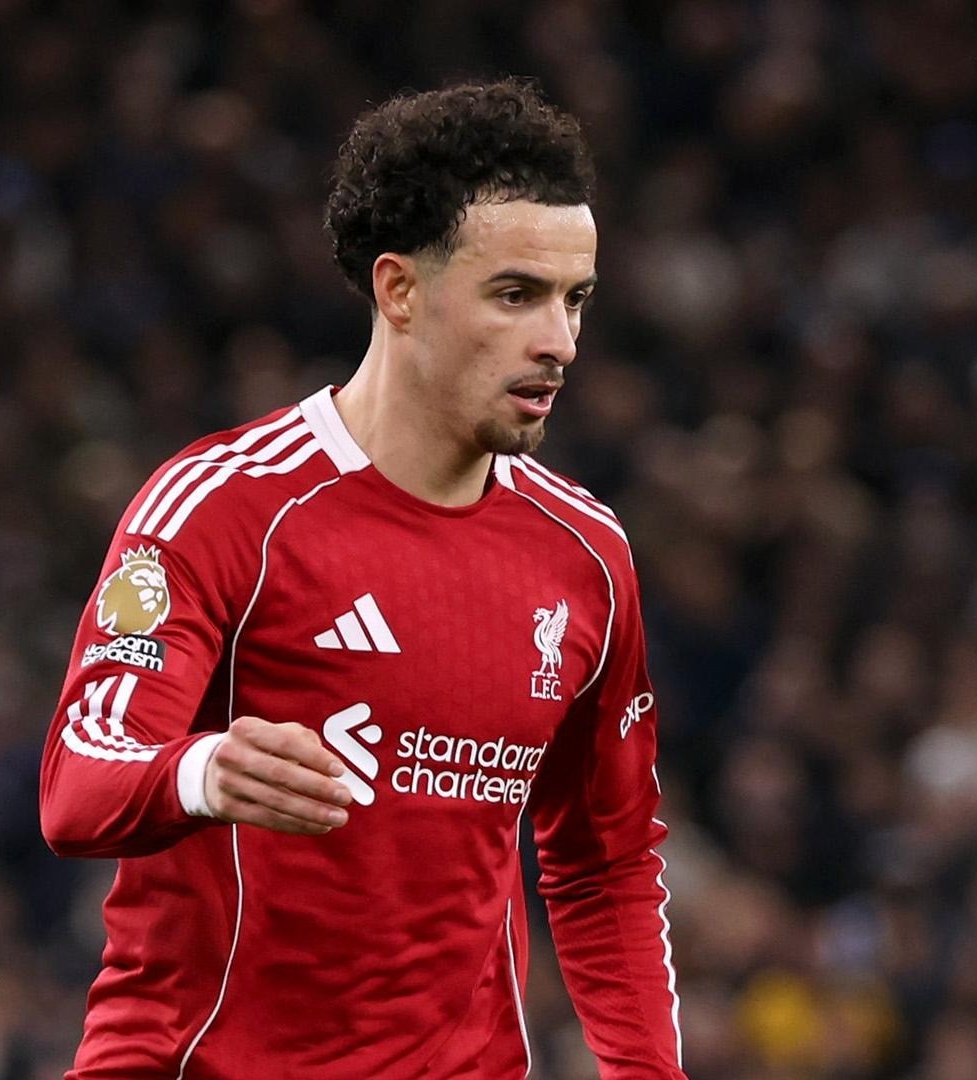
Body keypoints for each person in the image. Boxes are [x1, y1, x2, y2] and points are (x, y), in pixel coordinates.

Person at [38, 79, 683, 1078]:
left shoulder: (586, 553)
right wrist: (201, 773)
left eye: (575, 300)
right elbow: (78, 783)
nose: (559, 342)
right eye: (516, 295)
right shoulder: (223, 508)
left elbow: (606, 864)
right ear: (400, 291)